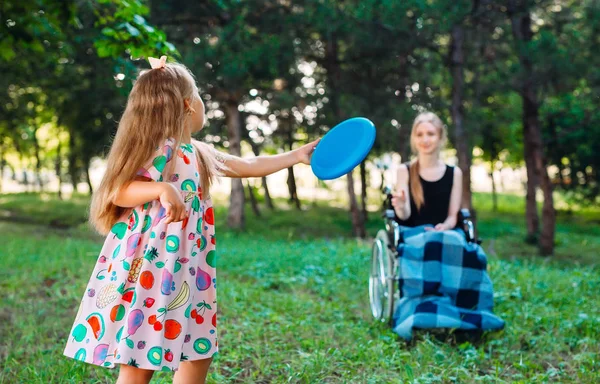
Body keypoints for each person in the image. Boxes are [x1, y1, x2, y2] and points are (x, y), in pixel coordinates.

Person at [63, 56, 319, 384]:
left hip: (188, 268)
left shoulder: (195, 152)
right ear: (188, 104)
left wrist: (297, 156)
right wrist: (160, 189)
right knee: (140, 355)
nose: (202, 105)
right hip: (151, 269)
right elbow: (117, 191)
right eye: (199, 97)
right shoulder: (153, 148)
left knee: (198, 349)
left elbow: (249, 164)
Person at [391, 111, 462, 231]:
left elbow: (452, 217)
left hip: (444, 234)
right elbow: (404, 216)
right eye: (419, 135)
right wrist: (401, 206)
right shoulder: (404, 171)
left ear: (440, 137)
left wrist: (445, 226)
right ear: (414, 139)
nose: (425, 139)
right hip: (414, 237)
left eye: (430, 134)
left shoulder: (455, 173)